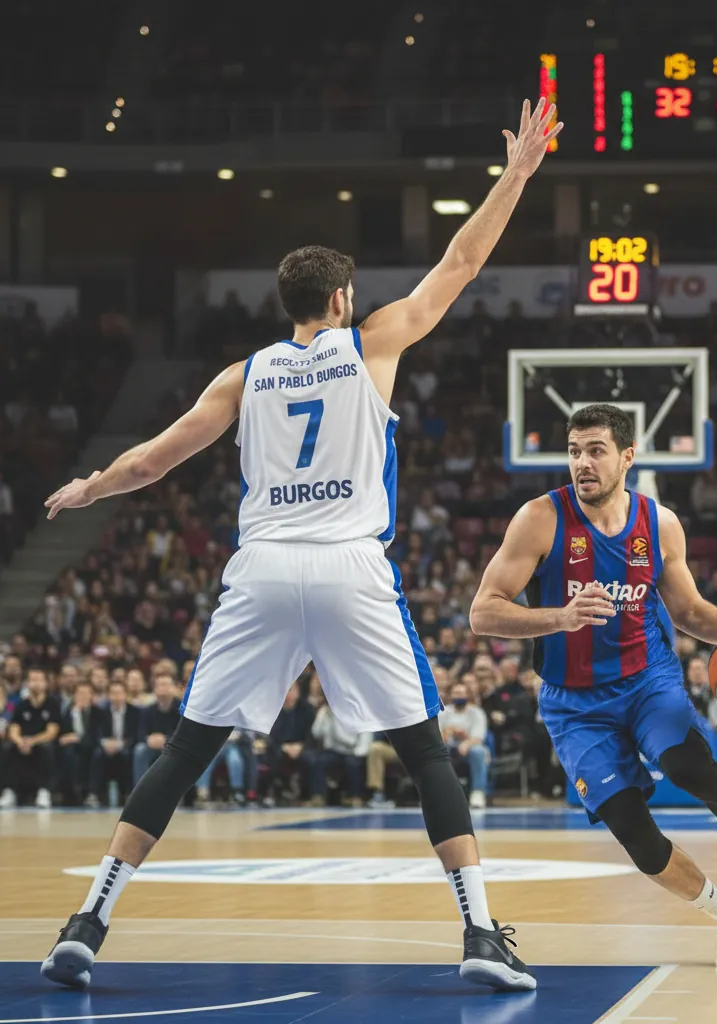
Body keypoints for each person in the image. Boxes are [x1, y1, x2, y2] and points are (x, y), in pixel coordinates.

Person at [39, 96, 562, 992]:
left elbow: (152, 462)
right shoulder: (373, 342)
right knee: (425, 751)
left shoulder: (242, 376)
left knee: (186, 750)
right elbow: (462, 261)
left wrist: (90, 485)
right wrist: (514, 175)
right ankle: (480, 934)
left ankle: (88, 921)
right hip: (351, 564)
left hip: (264, 567)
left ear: (287, 306)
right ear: (343, 299)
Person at [470, 404, 717, 971]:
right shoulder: (539, 518)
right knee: (634, 832)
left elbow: (690, 612)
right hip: (574, 704)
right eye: (574, 451)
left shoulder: (659, 524)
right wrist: (559, 617)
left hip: (646, 680)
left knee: (689, 767)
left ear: (627, 457)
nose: (582, 463)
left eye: (596, 451)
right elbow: (483, 613)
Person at [0, 668, 61, 808]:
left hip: (41, 742)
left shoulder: (52, 704)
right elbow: (13, 729)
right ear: (27, 683)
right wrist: (19, 741)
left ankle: (44, 791)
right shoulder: (21, 705)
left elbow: (52, 732)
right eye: (32, 680)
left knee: (46, 748)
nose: (36, 683)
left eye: (39, 680)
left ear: (46, 683)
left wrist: (32, 741)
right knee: (8, 747)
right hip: (23, 742)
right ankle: (9, 791)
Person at [439, 679, 490, 809]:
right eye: (456, 693)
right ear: (450, 695)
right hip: (448, 747)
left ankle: (477, 793)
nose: (459, 696)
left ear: (467, 695)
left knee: (479, 751)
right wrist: (448, 732)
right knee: (439, 751)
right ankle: (442, 793)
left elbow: (478, 737)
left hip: (469, 748)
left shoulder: (477, 712)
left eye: (462, 693)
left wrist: (466, 742)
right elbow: (437, 738)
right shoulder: (442, 712)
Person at [88, 680, 139, 808]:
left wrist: (120, 744)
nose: (116, 696)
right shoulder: (101, 712)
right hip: (106, 747)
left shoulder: (135, 712)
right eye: (113, 693)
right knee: (98, 754)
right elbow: (96, 734)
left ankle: (128, 793)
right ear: (108, 695)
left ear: (125, 694)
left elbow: (136, 735)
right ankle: (93, 794)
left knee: (126, 754)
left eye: (119, 693)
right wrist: (105, 743)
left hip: (125, 746)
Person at [58, 681, 99, 806]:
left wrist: (79, 738)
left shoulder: (97, 713)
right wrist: (76, 714)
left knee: (96, 753)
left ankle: (90, 793)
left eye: (86, 693)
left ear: (91, 695)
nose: (83, 696)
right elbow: (63, 736)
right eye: (80, 693)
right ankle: (73, 792)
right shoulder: (68, 712)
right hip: (73, 749)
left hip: (91, 746)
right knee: (69, 753)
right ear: (74, 695)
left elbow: (96, 734)